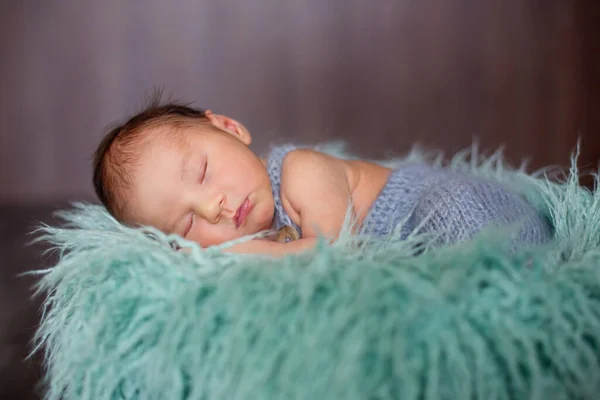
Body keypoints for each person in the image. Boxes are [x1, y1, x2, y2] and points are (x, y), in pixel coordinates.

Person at [93, 97, 552, 256]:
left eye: (204, 172)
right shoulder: (260, 233)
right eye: (188, 226)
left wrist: (234, 257)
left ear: (230, 129)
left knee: (478, 243)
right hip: (417, 253)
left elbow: (328, 258)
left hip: (443, 202)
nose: (214, 206)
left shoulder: (301, 171)